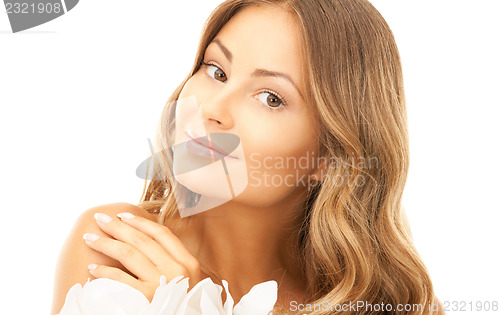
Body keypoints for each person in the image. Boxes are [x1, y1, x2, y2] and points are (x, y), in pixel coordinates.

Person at [51, 0, 445, 314]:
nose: (212, 107)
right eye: (216, 71)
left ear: (331, 155)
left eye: (270, 98)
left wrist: (200, 306)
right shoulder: (117, 250)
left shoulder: (394, 305)